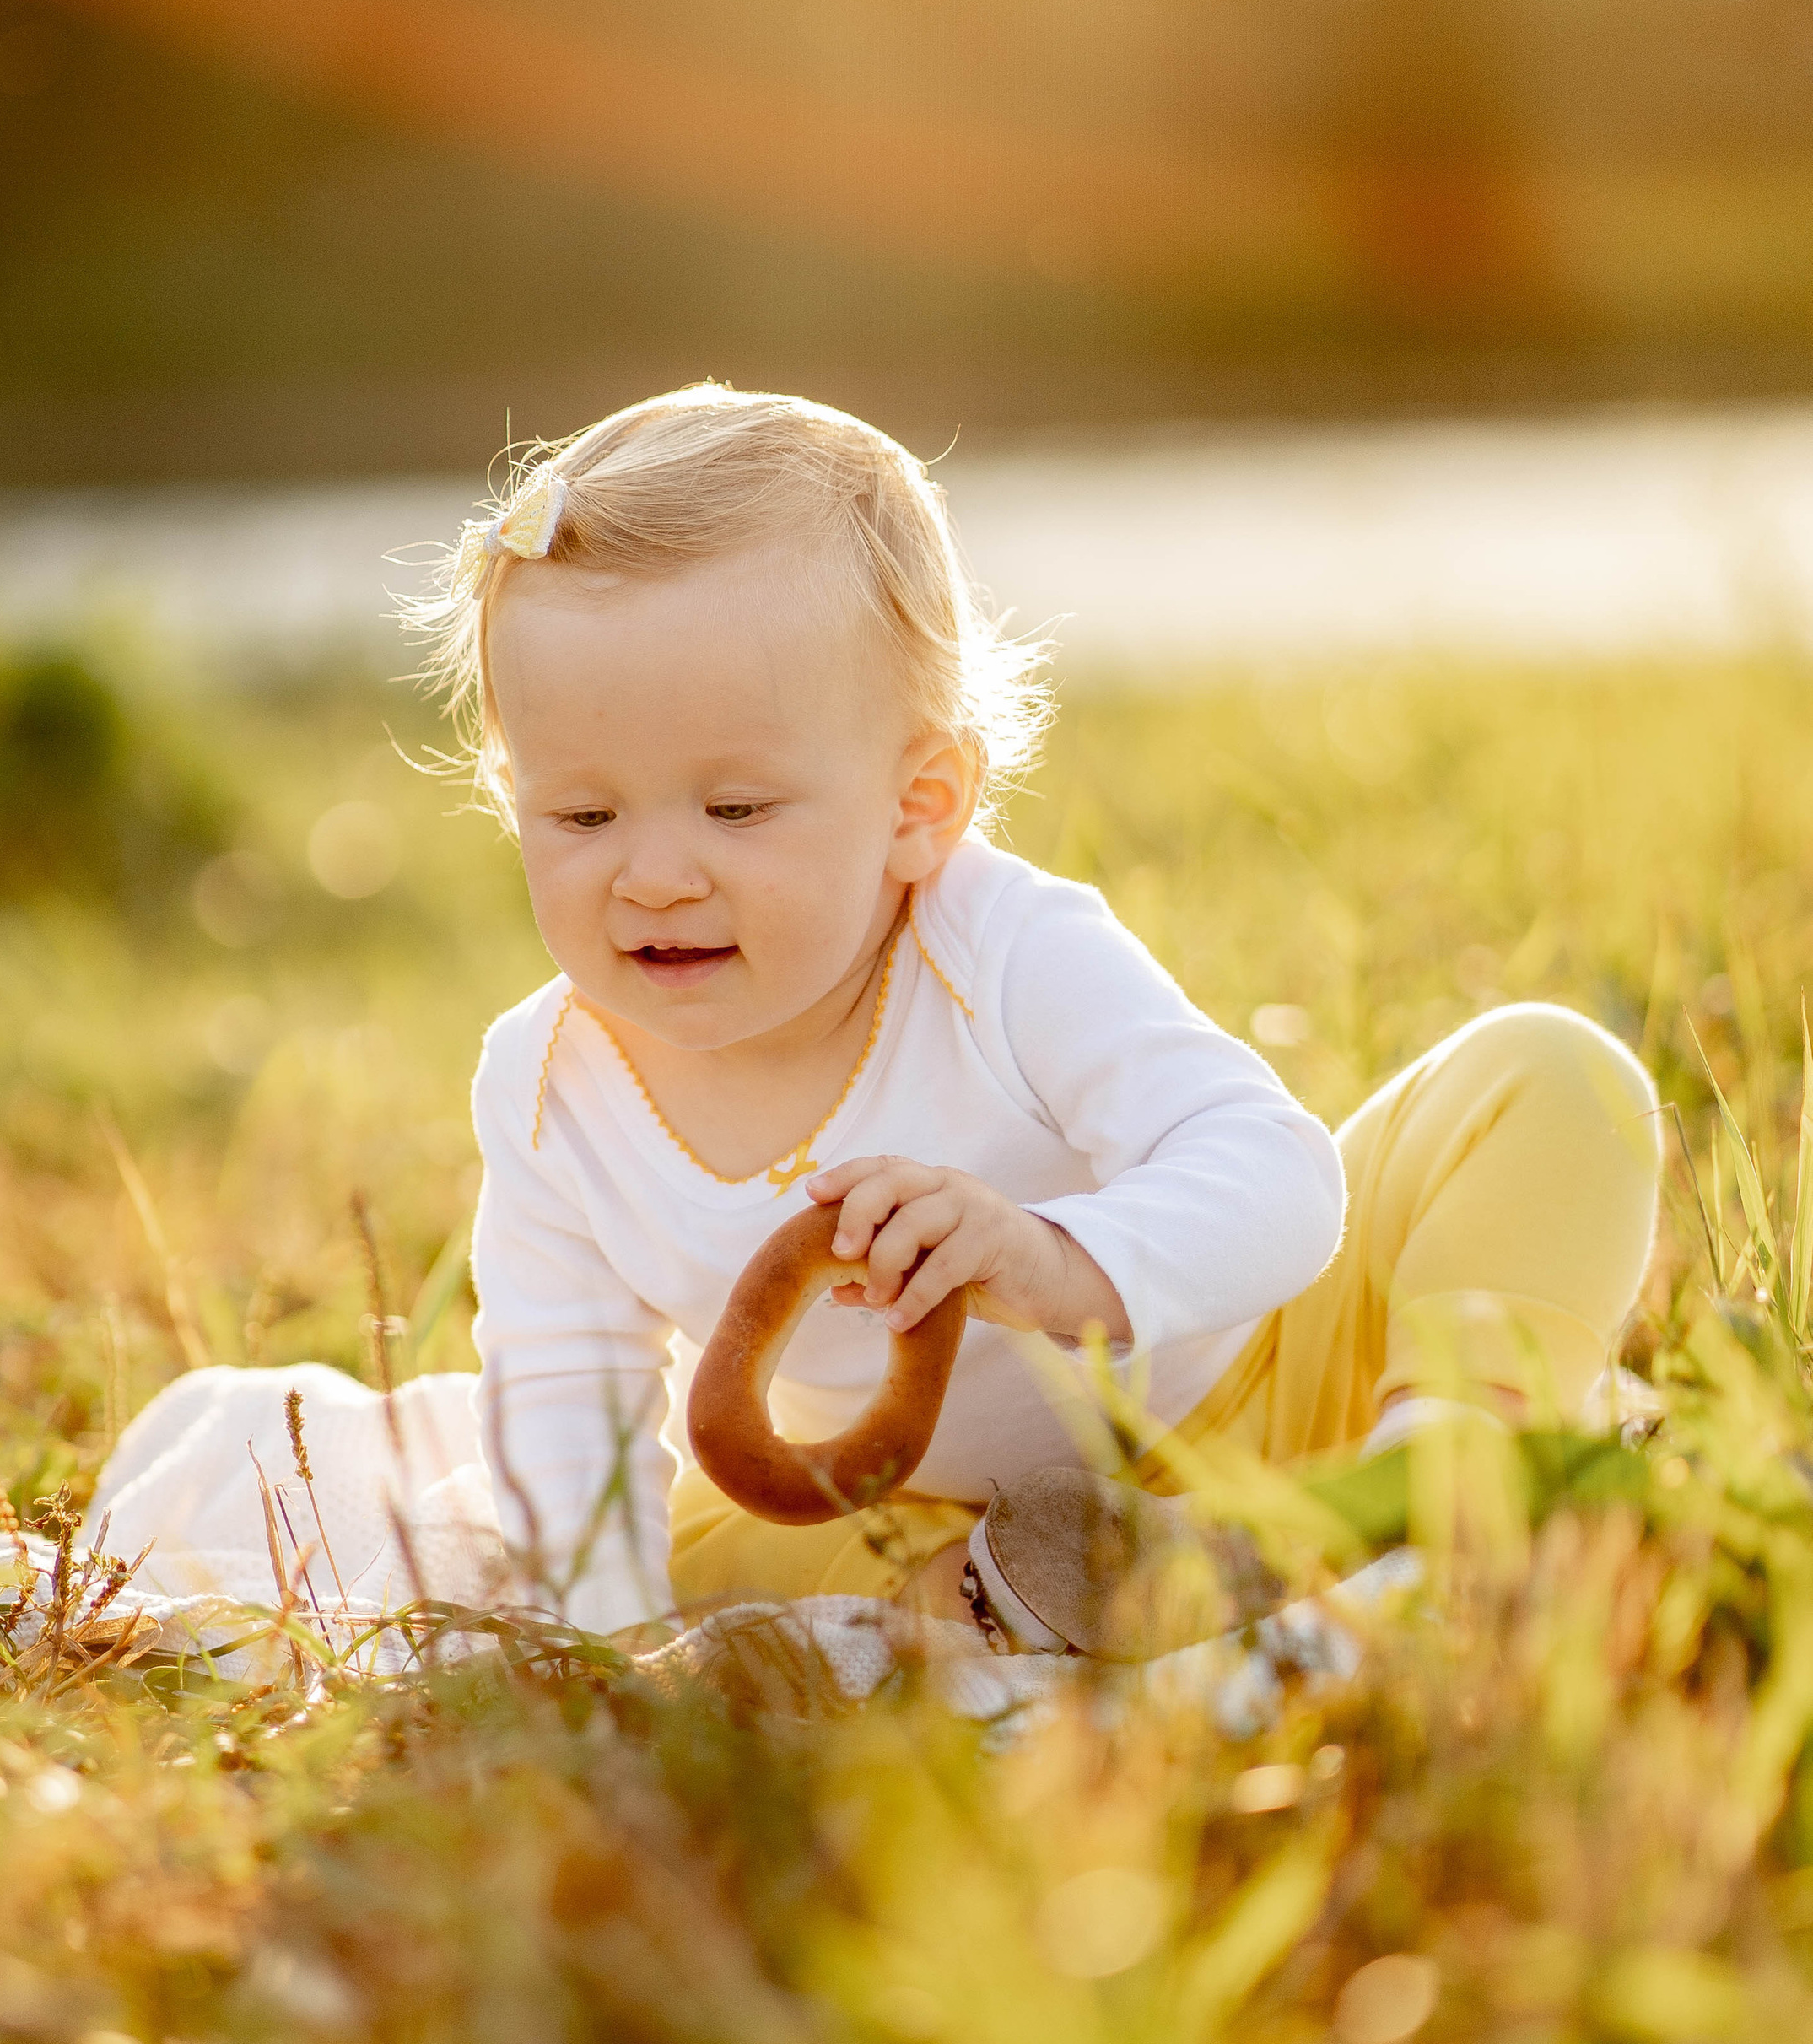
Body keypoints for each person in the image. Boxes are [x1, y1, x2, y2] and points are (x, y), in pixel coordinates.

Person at [92, 384, 1660, 1644]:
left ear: (920, 806)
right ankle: (1050, 1590)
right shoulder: (553, 1082)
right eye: (580, 816)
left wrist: (1057, 1259)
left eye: (734, 808)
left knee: (1548, 1080)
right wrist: (601, 1646)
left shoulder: (1003, 951)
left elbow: (1277, 1179)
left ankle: (1432, 1487)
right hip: (918, 1497)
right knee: (682, 1550)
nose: (653, 875)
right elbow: (567, 1388)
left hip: (1268, 1382)